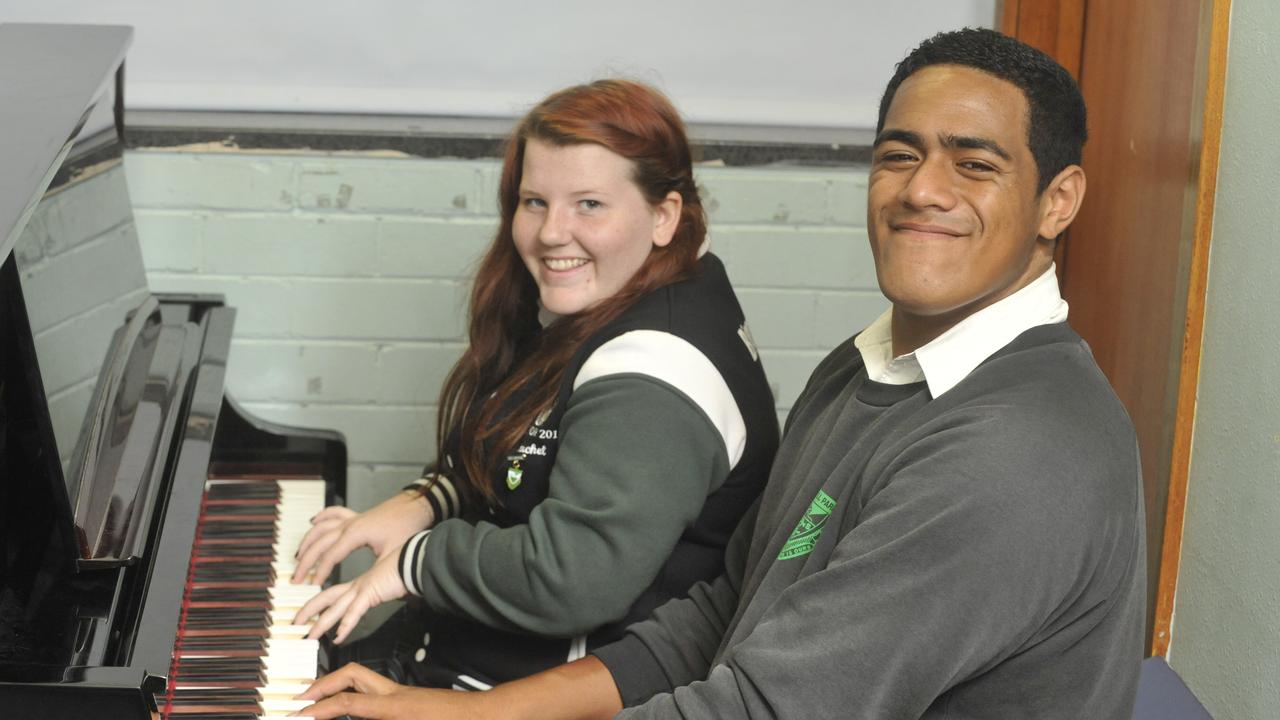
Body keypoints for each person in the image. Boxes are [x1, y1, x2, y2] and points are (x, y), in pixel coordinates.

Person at [295, 28, 1147, 719]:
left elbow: (762, 708)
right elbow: (724, 612)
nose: (923, 189)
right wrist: (464, 714)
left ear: (1058, 201)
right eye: (899, 154)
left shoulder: (1016, 451)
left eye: (974, 163)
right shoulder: (868, 365)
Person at [289, 79, 780, 689]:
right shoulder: (626, 293)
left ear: (664, 215)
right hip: (460, 654)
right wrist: (425, 501)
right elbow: (522, 457)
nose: (551, 233)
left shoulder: (652, 377)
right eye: (535, 202)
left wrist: (415, 563)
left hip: (522, 695)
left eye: (589, 204)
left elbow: (570, 578)